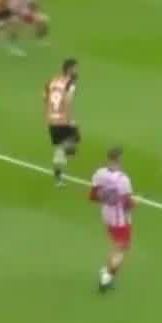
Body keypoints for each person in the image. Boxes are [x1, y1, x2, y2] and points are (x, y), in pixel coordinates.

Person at [88, 146, 135, 292]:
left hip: (106, 215)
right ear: (120, 158)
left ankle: (106, 269)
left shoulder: (99, 173)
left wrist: (106, 197)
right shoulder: (123, 179)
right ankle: (106, 277)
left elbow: (92, 196)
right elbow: (127, 204)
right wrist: (134, 204)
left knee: (118, 245)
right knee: (121, 248)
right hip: (120, 219)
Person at [45, 57, 80, 185]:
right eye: (75, 68)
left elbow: (45, 97)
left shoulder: (53, 81)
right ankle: (58, 167)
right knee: (72, 141)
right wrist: (69, 119)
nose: (77, 71)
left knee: (71, 141)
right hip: (63, 119)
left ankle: (61, 158)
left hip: (52, 118)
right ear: (69, 69)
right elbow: (67, 101)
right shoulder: (70, 83)